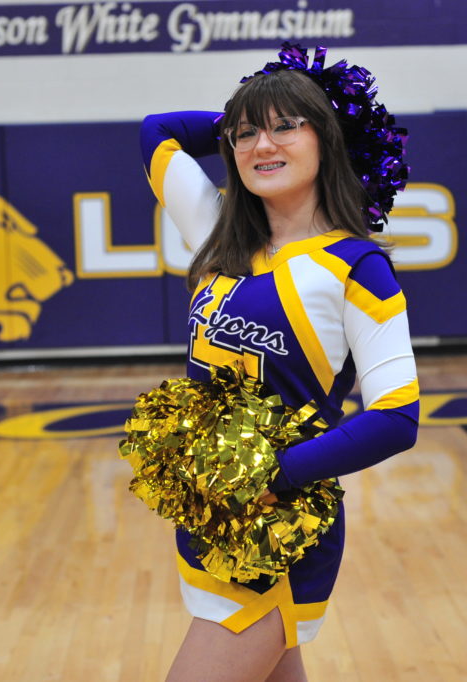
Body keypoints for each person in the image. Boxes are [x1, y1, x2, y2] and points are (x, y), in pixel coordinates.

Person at [139, 46, 419, 682]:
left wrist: (275, 475)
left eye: (286, 127)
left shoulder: (357, 268)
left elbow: (397, 417)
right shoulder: (217, 232)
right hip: (212, 515)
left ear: (328, 140)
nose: (260, 144)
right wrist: (258, 119)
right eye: (245, 135)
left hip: (279, 529)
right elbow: (156, 131)